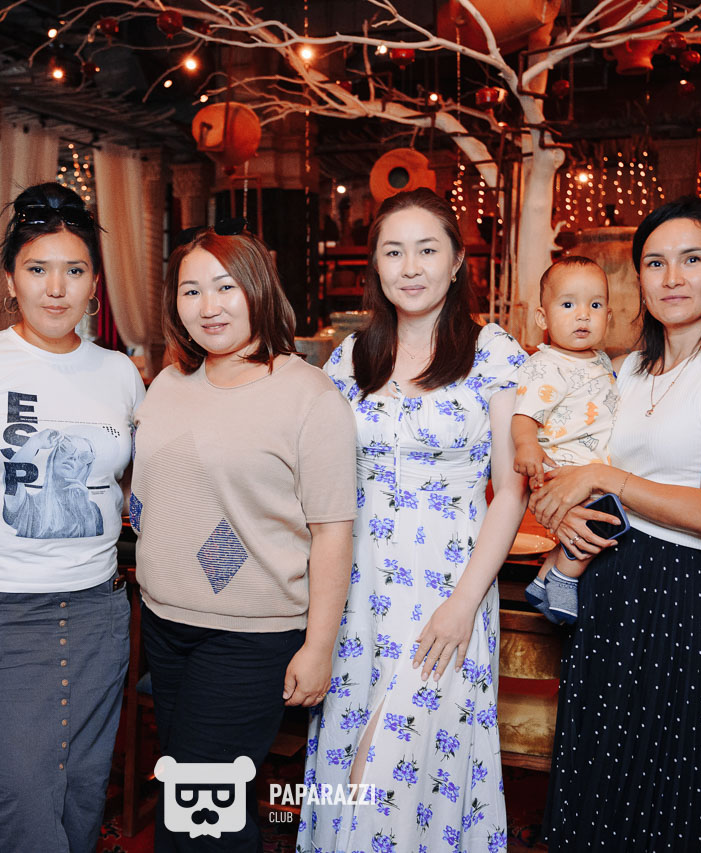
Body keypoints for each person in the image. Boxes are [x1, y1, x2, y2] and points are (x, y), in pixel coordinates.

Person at [530, 196, 701, 850]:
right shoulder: (627, 368)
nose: (672, 278)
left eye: (691, 260)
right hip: (603, 578)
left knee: (660, 780)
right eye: (656, 263)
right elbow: (579, 460)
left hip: (669, 589)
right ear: (638, 277)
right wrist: (564, 505)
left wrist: (605, 479)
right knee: (596, 774)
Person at [299, 188, 528, 853]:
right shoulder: (351, 357)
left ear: (456, 262)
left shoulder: (492, 351)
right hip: (358, 585)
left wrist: (463, 603)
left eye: (427, 250)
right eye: (393, 252)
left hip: (449, 583)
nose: (410, 267)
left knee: (401, 760)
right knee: (354, 756)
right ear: (375, 265)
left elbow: (511, 490)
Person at [0, 183, 144, 853]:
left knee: (81, 794)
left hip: (97, 612)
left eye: (74, 270)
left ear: (95, 284)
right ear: (10, 280)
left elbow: (135, 487)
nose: (56, 288)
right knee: (20, 802)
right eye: (38, 268)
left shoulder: (120, 373)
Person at [131, 222, 356, 852]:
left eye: (225, 286)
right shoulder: (169, 383)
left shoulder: (308, 396)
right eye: (191, 291)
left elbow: (333, 531)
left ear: (258, 288)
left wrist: (319, 646)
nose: (208, 305)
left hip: (249, 637)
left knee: (201, 816)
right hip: (164, 624)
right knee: (192, 800)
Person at [515, 256, 618, 624]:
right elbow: (524, 414)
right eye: (568, 304)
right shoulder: (546, 365)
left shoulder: (601, 360)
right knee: (598, 523)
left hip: (590, 468)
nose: (583, 315)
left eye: (595, 305)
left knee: (600, 519)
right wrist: (527, 445)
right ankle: (563, 577)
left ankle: (542, 579)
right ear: (543, 318)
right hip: (563, 468)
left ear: (609, 316)